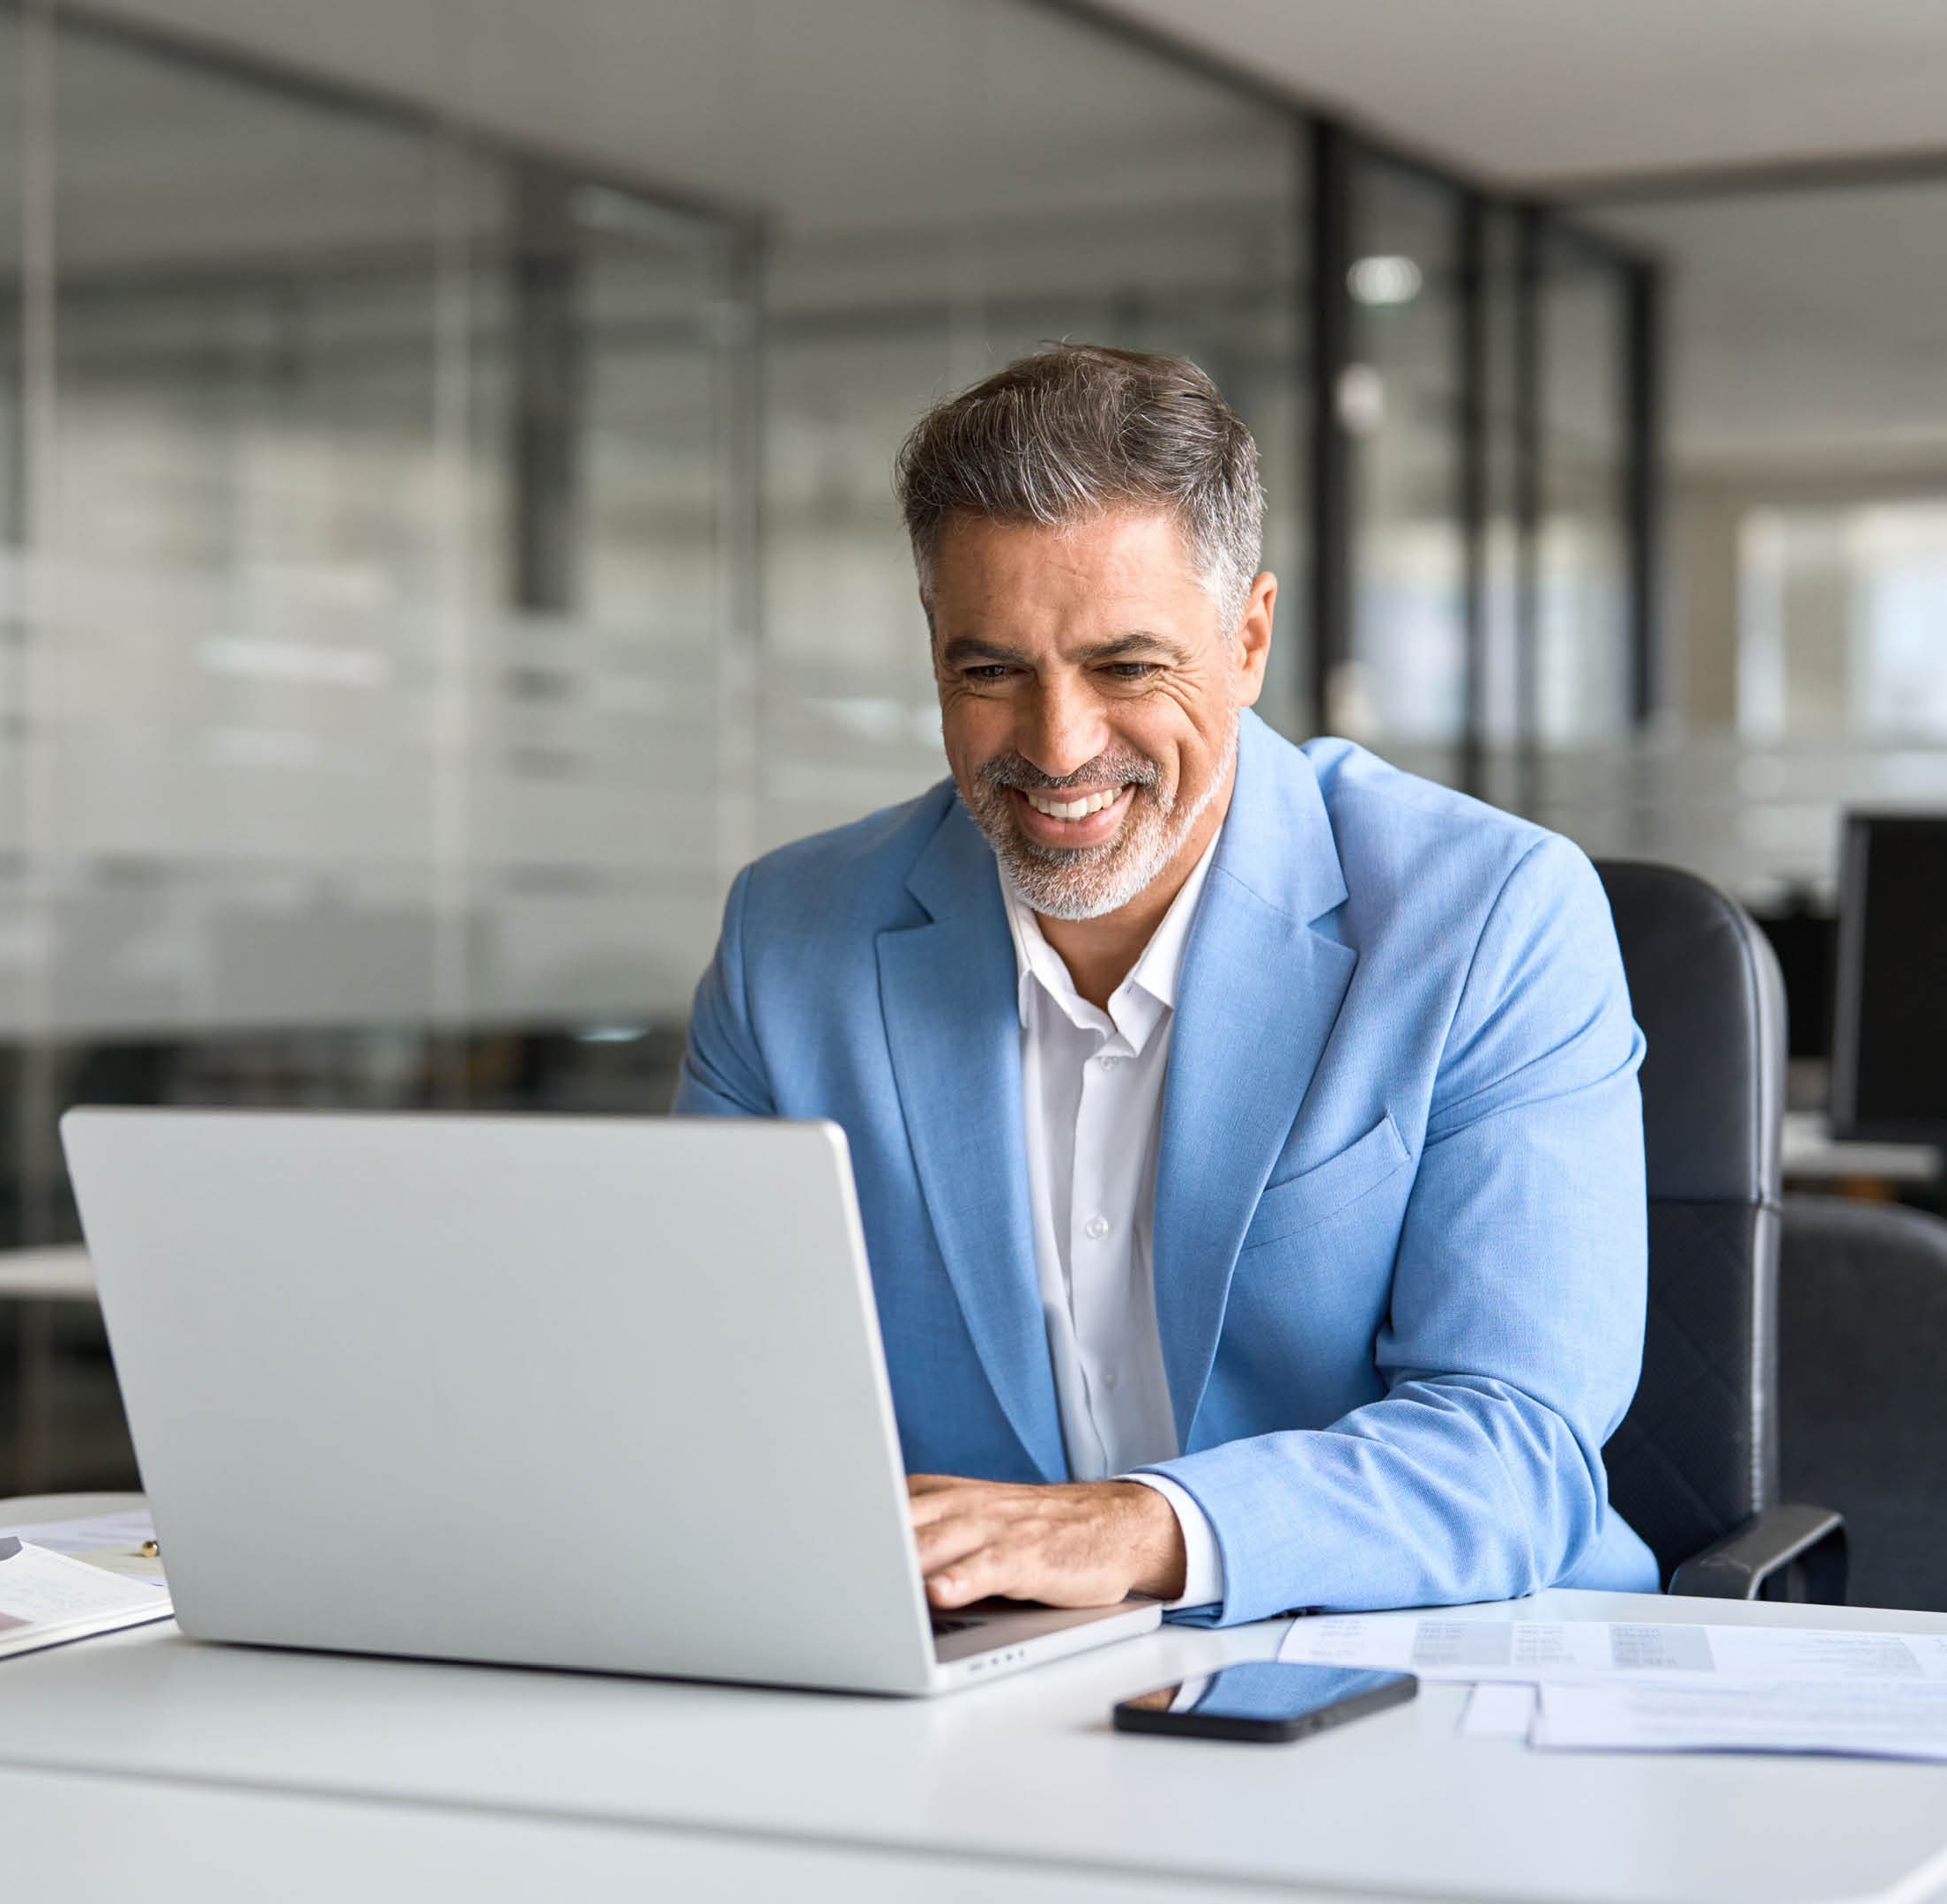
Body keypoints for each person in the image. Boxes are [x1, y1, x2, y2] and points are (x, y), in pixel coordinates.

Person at [675, 343, 1653, 1626]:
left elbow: (1518, 1448)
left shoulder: (1492, 919)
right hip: (965, 1680)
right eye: (990, 671)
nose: (1058, 746)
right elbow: (707, 1395)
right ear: (933, 653)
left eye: (1127, 667)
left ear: (1247, 640)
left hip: (1419, 1660)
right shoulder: (791, 936)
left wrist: (1140, 1530)